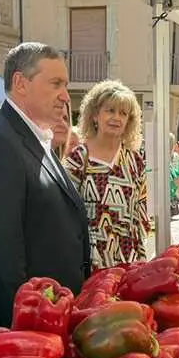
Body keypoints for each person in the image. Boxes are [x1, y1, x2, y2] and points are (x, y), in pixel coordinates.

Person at [0, 42, 90, 330]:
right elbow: (2, 259)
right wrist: (26, 335)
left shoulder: (33, 137)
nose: (65, 96)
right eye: (56, 84)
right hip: (30, 329)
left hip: (53, 319)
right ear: (20, 83)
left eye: (65, 85)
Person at [64, 80, 150, 269]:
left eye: (123, 113)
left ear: (129, 121)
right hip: (89, 261)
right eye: (110, 110)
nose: (116, 117)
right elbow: (65, 215)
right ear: (95, 115)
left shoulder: (135, 161)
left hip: (129, 259)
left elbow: (141, 212)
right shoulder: (78, 158)